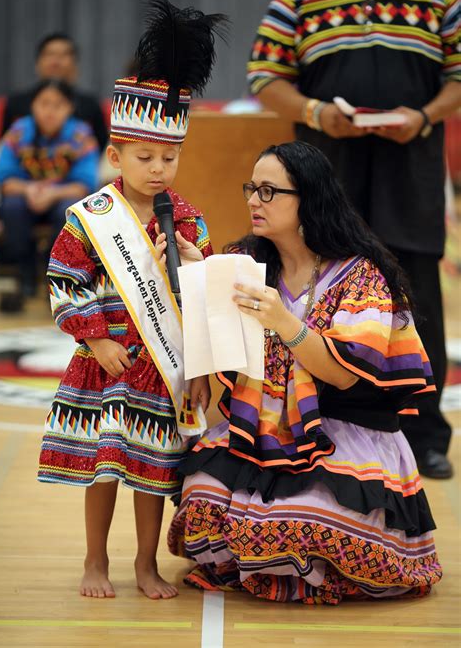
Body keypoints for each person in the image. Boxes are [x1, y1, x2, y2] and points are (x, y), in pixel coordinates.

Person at [168, 140, 442, 603]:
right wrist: (201, 276)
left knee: (301, 520)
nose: (254, 200)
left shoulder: (360, 275)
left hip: (343, 430)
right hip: (267, 427)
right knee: (200, 497)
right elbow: (224, 340)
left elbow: (345, 375)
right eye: (252, 188)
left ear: (308, 199)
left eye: (269, 191)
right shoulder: (249, 263)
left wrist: (286, 323)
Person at [246, 0, 461, 479]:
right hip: (326, 166)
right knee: (324, 286)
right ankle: (316, 421)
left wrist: (427, 115)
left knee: (415, 292)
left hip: (410, 163)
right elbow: (263, 75)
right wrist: (314, 111)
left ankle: (425, 435)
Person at [38, 0, 227, 600]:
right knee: (105, 470)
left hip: (161, 372)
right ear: (116, 152)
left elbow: (204, 294)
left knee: (153, 473)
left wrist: (201, 265)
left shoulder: (189, 219)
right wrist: (93, 336)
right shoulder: (89, 216)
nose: (157, 168)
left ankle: (146, 563)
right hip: (108, 365)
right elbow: (66, 277)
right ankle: (97, 561)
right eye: (144, 156)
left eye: (169, 157)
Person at [0, 79, 99, 306]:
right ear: (33, 105)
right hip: (25, 198)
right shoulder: (19, 131)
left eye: (58, 105)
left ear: (70, 107)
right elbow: (4, 178)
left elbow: (85, 184)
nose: (50, 111)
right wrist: (28, 188)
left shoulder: (81, 135)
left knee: (70, 210)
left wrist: (51, 193)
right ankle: (25, 270)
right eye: (44, 103)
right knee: (12, 206)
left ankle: (52, 270)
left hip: (61, 198)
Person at [1, 32, 108, 151]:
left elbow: (102, 153)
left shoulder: (90, 105)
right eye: (49, 54)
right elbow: (3, 147)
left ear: (75, 64)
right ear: (37, 63)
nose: (56, 62)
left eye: (63, 55)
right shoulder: (16, 103)